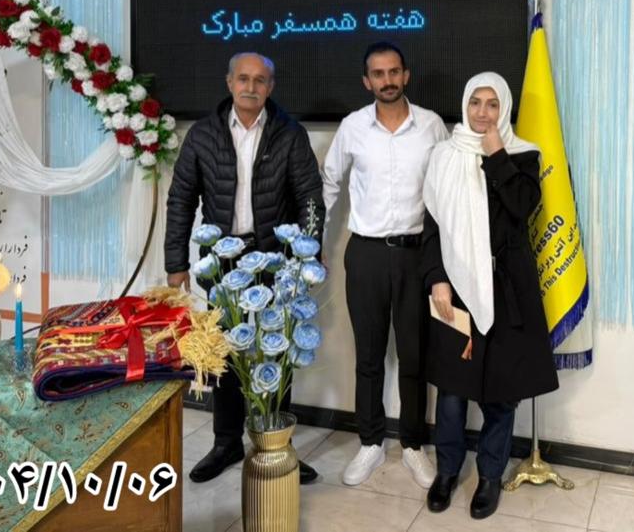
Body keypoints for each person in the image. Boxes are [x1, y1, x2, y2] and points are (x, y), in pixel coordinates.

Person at [165, 52, 325, 484]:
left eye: (260, 80)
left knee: (277, 353)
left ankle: (276, 443)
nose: (250, 87)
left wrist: (307, 257)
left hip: (275, 257)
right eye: (243, 79)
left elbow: (310, 198)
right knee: (226, 354)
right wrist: (176, 263)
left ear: (270, 87)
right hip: (223, 263)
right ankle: (226, 442)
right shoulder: (202, 135)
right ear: (229, 82)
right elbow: (181, 199)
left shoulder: (290, 134)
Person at [420, 72, 559, 519]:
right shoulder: (443, 156)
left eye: (492, 104)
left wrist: (496, 153)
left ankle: (490, 476)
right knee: (452, 391)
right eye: (475, 102)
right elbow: (432, 225)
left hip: (507, 290)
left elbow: (521, 206)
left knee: (501, 392)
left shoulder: (523, 155)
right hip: (455, 286)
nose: (482, 112)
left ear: (505, 108)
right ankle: (446, 472)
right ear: (465, 105)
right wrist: (437, 278)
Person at [322, 42, 447, 488]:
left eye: (394, 72)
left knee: (414, 356)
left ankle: (413, 445)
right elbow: (329, 184)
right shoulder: (353, 127)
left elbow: (448, 189)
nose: (387, 80)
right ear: (367, 81)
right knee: (369, 355)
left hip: (417, 255)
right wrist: (315, 244)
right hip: (367, 254)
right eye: (378, 74)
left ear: (406, 75)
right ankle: (370, 442)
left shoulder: (432, 126)